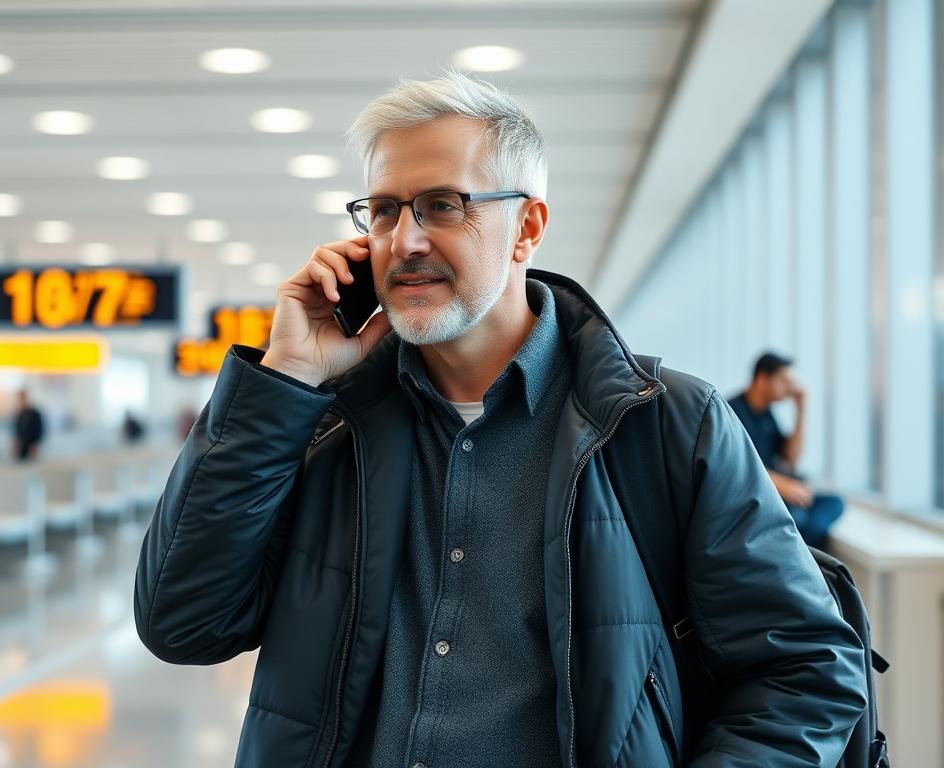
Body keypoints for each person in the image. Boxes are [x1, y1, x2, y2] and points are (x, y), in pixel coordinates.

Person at [135, 72, 867, 767]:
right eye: (384, 210)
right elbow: (183, 621)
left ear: (527, 227)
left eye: (443, 205)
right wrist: (284, 380)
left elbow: (806, 668)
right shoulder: (322, 422)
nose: (405, 240)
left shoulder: (665, 423)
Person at [728, 352, 845, 550]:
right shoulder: (732, 411)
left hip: (778, 494)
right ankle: (806, 550)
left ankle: (802, 549)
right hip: (756, 499)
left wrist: (801, 411)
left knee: (834, 503)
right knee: (798, 518)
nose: (790, 387)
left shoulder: (766, 414)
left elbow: (791, 458)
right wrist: (783, 485)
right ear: (762, 380)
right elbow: (737, 464)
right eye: (783, 380)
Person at [12, 388, 44, 461]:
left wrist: (35, 444)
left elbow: (40, 430)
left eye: (23, 397)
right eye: (19, 398)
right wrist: (15, 443)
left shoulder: (34, 413)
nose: (21, 400)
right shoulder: (19, 414)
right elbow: (17, 431)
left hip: (32, 447)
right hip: (21, 448)